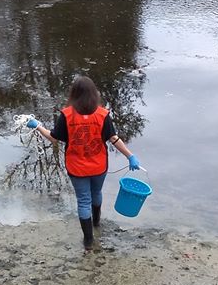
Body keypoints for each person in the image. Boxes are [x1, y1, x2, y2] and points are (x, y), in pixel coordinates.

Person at [26, 75, 141, 250]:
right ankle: (96, 224)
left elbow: (54, 138)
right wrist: (130, 156)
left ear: (74, 94)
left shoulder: (66, 115)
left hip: (77, 167)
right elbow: (113, 139)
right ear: (94, 94)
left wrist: (37, 125)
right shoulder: (103, 115)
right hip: (99, 166)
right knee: (96, 193)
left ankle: (88, 240)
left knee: (83, 200)